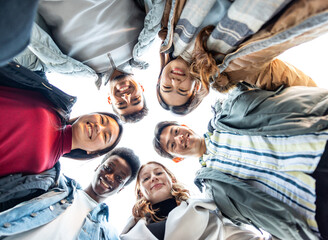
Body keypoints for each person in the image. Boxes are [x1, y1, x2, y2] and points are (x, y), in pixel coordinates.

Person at [153, 84, 328, 239]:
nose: (179, 138)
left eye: (176, 131)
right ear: (176, 158)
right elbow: (249, 220)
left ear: (185, 127)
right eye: (172, 144)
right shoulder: (211, 191)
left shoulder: (226, 114)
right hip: (308, 207)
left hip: (316, 146)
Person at [156, 0, 328, 115]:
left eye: (166, 87)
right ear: (196, 88)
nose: (175, 83)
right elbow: (284, 78)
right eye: (182, 90)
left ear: (159, 78)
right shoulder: (229, 73)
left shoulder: (168, 30)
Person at [0, 63, 124, 187]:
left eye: (106, 135)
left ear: (92, 152)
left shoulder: (46, 175)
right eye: (102, 120)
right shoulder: (54, 101)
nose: (99, 127)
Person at [12, 0, 168, 122]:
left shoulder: (72, 70)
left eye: (121, 104)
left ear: (110, 99)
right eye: (135, 99)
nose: (126, 97)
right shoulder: (145, 43)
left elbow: (36, 48)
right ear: (141, 87)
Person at [0, 147, 141, 239]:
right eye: (108, 168)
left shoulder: (108, 233)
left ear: (121, 189)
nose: (110, 177)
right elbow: (1, 199)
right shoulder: (57, 184)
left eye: (119, 178)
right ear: (97, 167)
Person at [120, 161, 261, 240]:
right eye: (146, 178)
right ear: (140, 192)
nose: (153, 178)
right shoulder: (130, 232)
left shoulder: (206, 211)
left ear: (172, 179)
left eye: (158, 173)